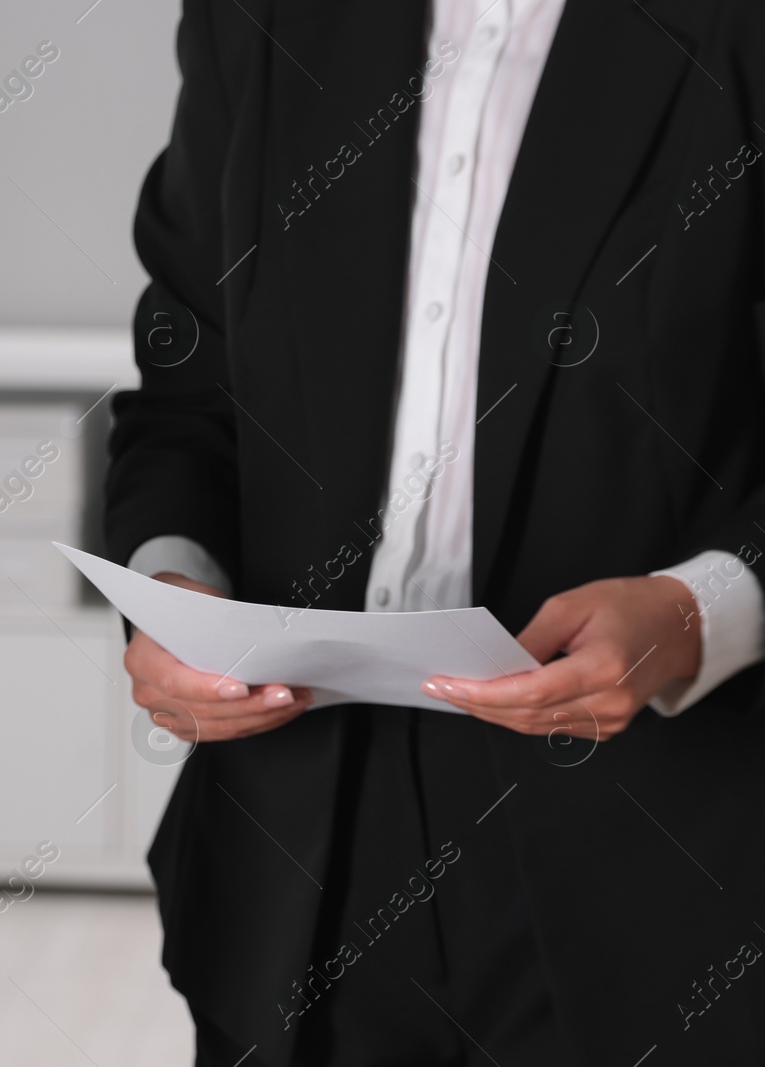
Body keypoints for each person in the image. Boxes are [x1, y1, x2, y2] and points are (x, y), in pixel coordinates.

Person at [106, 0, 765, 1064]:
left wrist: (699, 611)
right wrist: (174, 582)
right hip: (294, 865)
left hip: (662, 870)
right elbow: (186, 386)